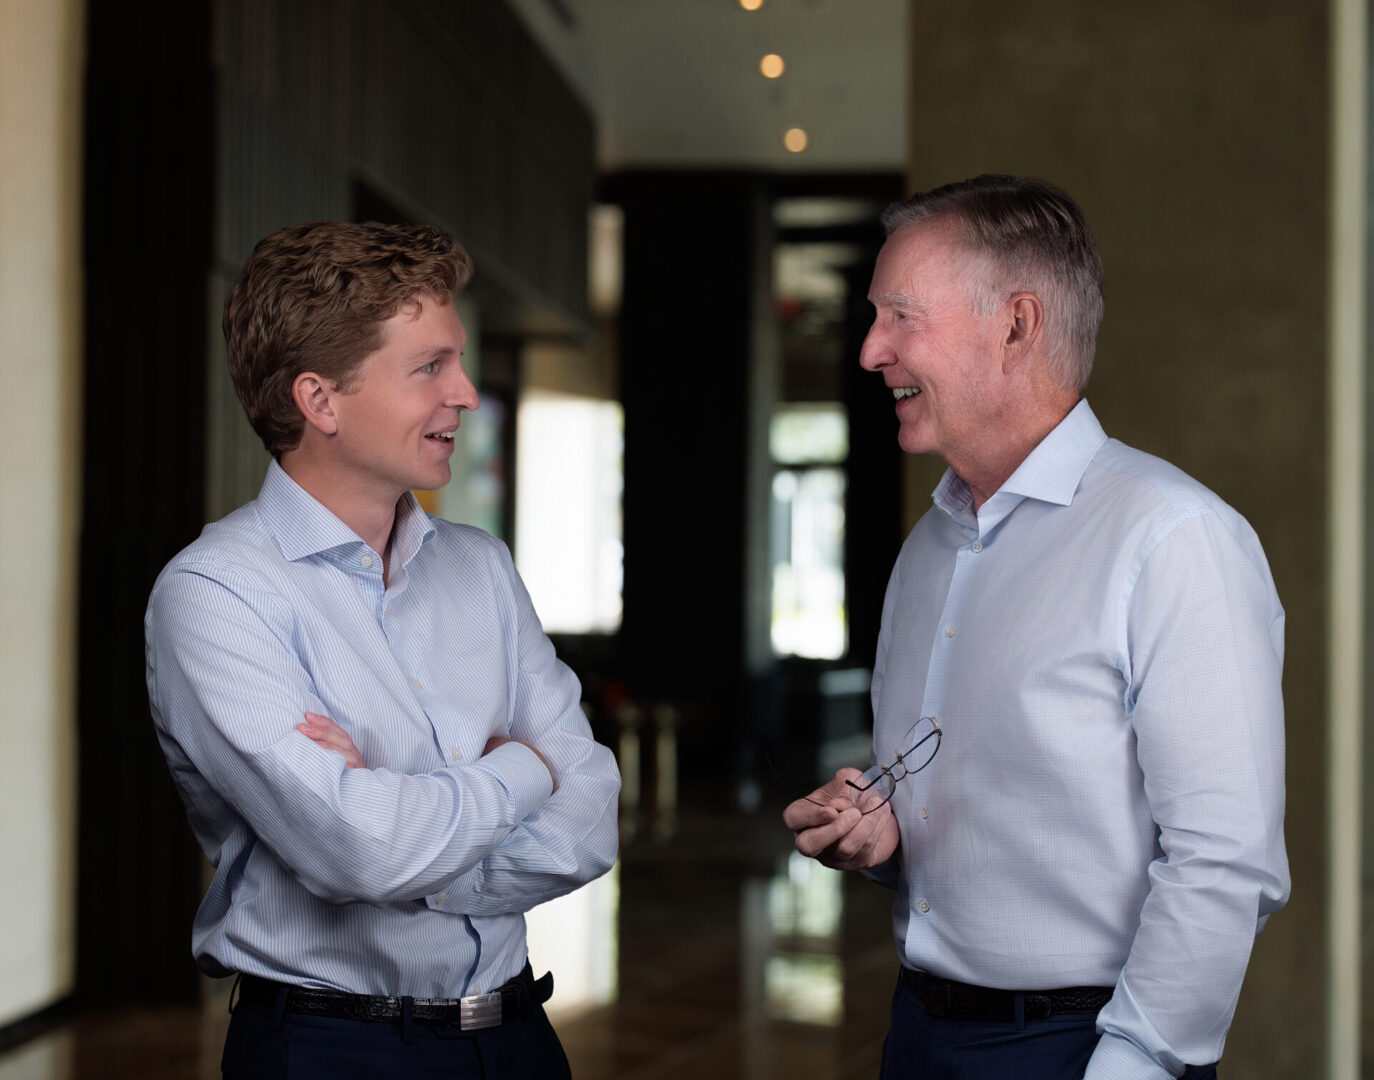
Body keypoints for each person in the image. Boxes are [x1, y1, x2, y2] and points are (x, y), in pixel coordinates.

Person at [783, 175, 1288, 1080]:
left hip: (1089, 1050)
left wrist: (1133, 1065)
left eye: (901, 316)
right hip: (917, 1034)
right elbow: (976, 806)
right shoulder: (927, 548)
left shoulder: (1176, 540)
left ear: (1017, 325)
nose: (869, 351)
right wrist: (881, 838)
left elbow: (1225, 863)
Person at [145, 221, 621, 1079]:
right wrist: (522, 771)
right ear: (320, 401)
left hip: (519, 1039)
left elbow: (591, 819)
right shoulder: (215, 594)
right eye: (430, 367)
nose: (467, 393)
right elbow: (361, 849)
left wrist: (404, 831)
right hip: (333, 1050)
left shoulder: (479, 567)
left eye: (459, 360)